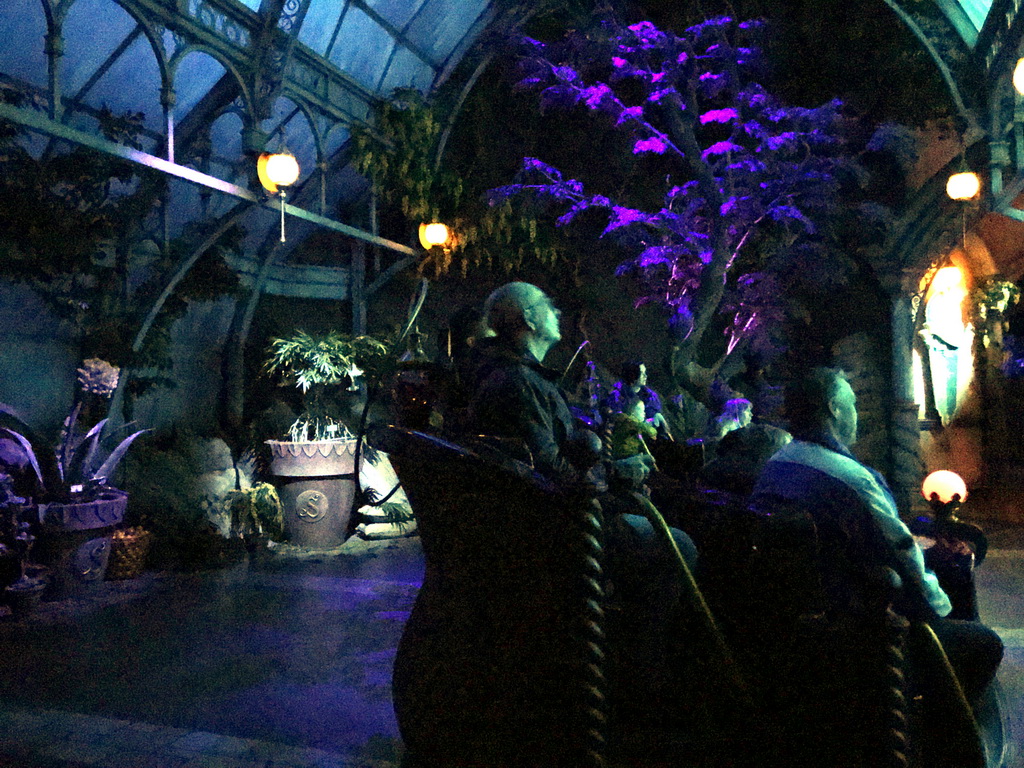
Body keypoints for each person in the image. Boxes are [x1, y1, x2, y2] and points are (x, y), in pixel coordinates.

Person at [469, 282, 706, 719]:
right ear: (529, 320)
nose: (557, 310)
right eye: (548, 304)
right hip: (560, 527)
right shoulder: (520, 382)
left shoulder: (501, 373)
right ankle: (643, 672)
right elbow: (552, 470)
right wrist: (616, 475)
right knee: (681, 545)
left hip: (531, 519)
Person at [752, 367, 1003, 704]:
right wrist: (939, 605)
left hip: (796, 626)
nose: (857, 414)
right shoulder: (850, 479)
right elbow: (900, 554)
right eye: (852, 404)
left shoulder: (777, 463)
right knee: (984, 641)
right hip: (861, 633)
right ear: (833, 409)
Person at [602, 360, 672, 440]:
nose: (645, 376)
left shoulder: (650, 396)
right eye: (642, 373)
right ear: (633, 375)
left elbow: (653, 416)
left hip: (648, 436)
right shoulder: (617, 395)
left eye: (645, 373)